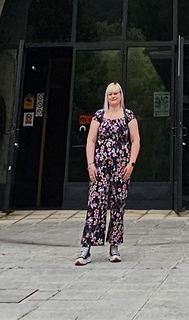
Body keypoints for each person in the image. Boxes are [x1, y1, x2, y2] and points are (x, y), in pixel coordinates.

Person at [76, 81, 140, 265]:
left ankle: (114, 246)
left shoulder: (128, 116)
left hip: (121, 168)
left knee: (118, 206)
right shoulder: (99, 115)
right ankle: (86, 248)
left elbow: (135, 140)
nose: (113, 97)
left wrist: (131, 164)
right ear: (107, 96)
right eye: (110, 94)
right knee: (95, 205)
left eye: (116, 93)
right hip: (100, 168)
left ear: (121, 95)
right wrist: (90, 164)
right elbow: (91, 141)